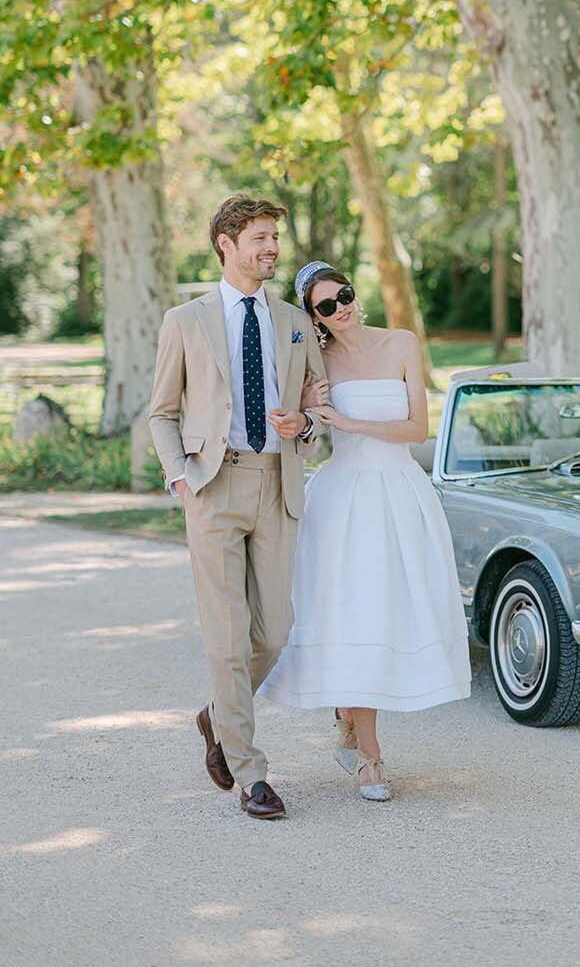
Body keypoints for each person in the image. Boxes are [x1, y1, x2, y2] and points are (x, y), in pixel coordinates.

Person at [259, 261, 470, 802]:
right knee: (353, 614)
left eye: (344, 295)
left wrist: (350, 421)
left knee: (391, 616)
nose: (341, 308)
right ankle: (371, 760)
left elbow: (419, 428)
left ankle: (349, 720)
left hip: (399, 495)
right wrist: (307, 412)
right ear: (315, 318)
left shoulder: (401, 343)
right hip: (343, 502)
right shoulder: (317, 361)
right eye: (326, 305)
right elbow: (295, 424)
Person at [147, 195, 327, 821]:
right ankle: (251, 774)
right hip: (213, 486)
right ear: (226, 243)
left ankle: (217, 715)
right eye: (259, 237)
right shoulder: (186, 320)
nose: (271, 247)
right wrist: (179, 478)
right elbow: (162, 412)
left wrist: (304, 422)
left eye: (274, 236)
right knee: (226, 639)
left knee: (274, 633)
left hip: (278, 484)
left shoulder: (296, 323)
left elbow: (317, 411)